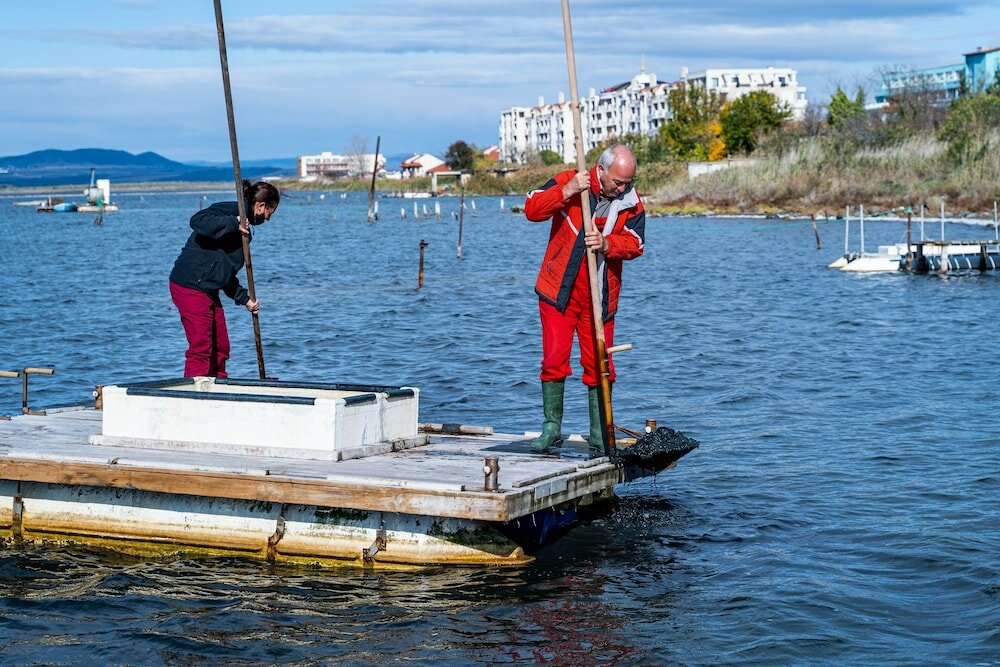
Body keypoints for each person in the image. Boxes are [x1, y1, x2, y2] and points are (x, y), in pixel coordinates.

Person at [523, 144, 645, 456]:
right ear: (601, 171)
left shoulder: (631, 202)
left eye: (627, 182)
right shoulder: (570, 180)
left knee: (600, 365)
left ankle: (600, 433)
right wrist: (566, 190)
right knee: (553, 361)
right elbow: (532, 210)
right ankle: (551, 430)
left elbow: (637, 244)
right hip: (557, 293)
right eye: (618, 182)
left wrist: (607, 243)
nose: (623, 188)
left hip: (600, 298)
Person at [168, 180, 280, 377]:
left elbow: (225, 274)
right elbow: (197, 220)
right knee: (201, 345)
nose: (269, 218)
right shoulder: (231, 209)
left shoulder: (246, 235)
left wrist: (245, 299)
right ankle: (194, 393)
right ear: (261, 206)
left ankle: (217, 387)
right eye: (271, 211)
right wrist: (234, 222)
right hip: (189, 285)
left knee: (221, 346)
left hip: (208, 289)